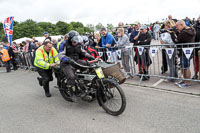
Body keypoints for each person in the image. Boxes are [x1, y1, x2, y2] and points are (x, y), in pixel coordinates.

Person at [58, 30, 96, 100]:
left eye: (76, 40)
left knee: (91, 66)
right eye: (74, 41)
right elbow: (60, 55)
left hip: (76, 60)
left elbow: (83, 52)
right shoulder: (64, 44)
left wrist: (90, 57)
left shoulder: (79, 44)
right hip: (66, 63)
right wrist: (68, 60)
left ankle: (85, 84)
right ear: (70, 39)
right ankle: (72, 92)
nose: (75, 42)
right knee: (71, 76)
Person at [170, 20, 196, 88]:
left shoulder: (184, 32)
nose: (176, 28)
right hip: (188, 51)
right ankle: (185, 80)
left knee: (186, 67)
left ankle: (187, 83)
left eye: (177, 26)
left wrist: (172, 34)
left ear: (181, 25)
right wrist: (177, 32)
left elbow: (176, 41)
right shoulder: (191, 30)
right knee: (184, 67)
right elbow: (182, 39)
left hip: (185, 52)